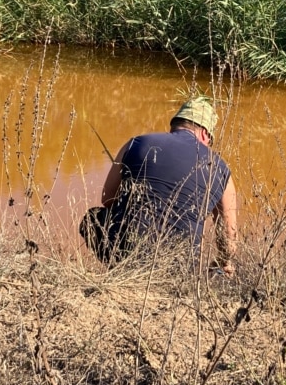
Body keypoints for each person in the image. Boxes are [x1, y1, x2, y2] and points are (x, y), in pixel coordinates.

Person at [81, 97, 239, 275]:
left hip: (124, 254)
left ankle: (119, 274)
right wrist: (222, 262)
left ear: (175, 125)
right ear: (204, 133)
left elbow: (108, 199)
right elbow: (229, 240)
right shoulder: (221, 169)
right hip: (180, 268)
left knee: (93, 218)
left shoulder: (135, 143)